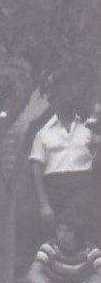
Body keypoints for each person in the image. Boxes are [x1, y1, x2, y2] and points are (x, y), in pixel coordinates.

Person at [30, 93, 95, 246]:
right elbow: (36, 167)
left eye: (71, 97)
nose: (67, 101)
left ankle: (85, 268)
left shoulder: (89, 126)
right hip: (54, 189)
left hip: (82, 187)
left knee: (79, 232)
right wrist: (44, 204)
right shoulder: (43, 131)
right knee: (56, 237)